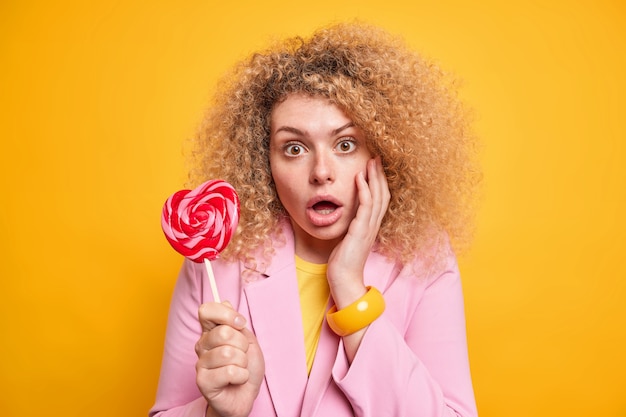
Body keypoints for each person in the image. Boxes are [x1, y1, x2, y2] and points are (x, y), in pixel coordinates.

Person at [150, 21, 480, 417]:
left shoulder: (425, 257)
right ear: (263, 163)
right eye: (294, 148)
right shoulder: (216, 261)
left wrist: (349, 288)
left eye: (345, 144)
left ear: (384, 154)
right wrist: (215, 413)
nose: (321, 171)